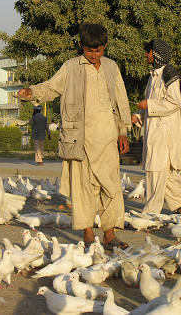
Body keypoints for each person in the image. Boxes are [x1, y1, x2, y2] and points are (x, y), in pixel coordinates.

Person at [16, 23, 131, 249]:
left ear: (105, 47)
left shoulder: (111, 67)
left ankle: (110, 234)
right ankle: (88, 233)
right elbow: (51, 88)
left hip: (108, 138)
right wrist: (32, 93)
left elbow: (121, 100)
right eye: (90, 51)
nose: (94, 55)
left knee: (111, 187)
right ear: (81, 46)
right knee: (83, 186)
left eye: (99, 51)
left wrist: (123, 131)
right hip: (80, 139)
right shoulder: (70, 67)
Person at [132, 39, 181, 214]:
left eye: (149, 52)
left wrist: (149, 104)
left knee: (156, 173)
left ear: (156, 54)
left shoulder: (169, 74)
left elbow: (174, 102)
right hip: (154, 133)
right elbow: (150, 106)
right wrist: (136, 116)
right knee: (165, 175)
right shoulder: (152, 78)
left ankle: (151, 213)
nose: (146, 55)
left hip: (163, 136)